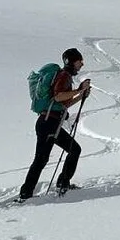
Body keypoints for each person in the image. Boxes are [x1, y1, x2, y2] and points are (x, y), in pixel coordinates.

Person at [19, 48, 90, 200]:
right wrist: (78, 90)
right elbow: (58, 97)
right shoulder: (64, 75)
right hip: (49, 122)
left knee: (48, 157)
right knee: (46, 157)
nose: (81, 64)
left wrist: (81, 95)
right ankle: (33, 191)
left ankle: (30, 191)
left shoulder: (66, 76)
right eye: (80, 61)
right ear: (71, 61)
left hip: (48, 121)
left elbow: (63, 103)